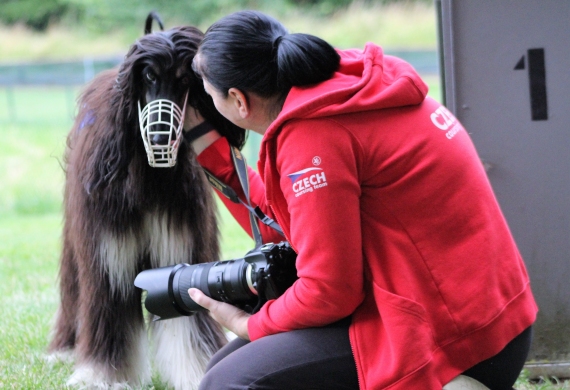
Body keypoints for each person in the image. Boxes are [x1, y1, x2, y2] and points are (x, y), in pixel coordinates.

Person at [184, 10, 538, 390]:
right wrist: (207, 144)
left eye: (208, 94)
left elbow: (328, 291)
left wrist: (252, 323)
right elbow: (284, 221)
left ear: (238, 99)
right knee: (227, 363)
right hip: (490, 321)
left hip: (456, 342)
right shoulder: (351, 88)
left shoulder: (315, 136)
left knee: (228, 382)